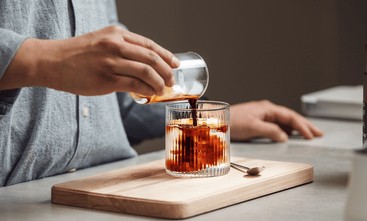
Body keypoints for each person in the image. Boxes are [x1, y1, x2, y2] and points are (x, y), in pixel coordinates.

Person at [0, 0, 322, 187]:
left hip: (117, 187)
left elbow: (115, 99)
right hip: (17, 204)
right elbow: (67, 64)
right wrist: (44, 60)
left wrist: (217, 122)